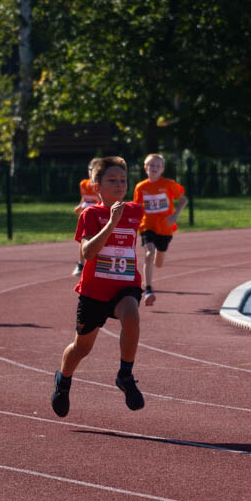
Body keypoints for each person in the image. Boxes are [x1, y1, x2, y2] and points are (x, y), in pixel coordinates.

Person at [52, 156, 146, 418]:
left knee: (132, 315)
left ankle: (125, 375)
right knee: (82, 348)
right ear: (97, 187)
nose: (119, 185)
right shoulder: (90, 214)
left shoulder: (135, 211)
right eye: (112, 181)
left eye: (123, 180)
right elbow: (87, 253)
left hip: (126, 285)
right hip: (94, 292)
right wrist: (111, 223)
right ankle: (63, 379)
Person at [132, 153, 187, 306]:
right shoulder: (141, 187)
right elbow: (137, 207)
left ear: (162, 169)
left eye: (157, 166)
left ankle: (158, 256)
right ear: (145, 168)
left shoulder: (168, 184)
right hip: (147, 225)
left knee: (159, 262)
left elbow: (183, 200)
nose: (154, 168)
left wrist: (175, 215)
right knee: (149, 254)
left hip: (165, 227)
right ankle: (148, 289)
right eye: (151, 165)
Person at [71, 157, 102, 276]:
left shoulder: (99, 186)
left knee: (98, 242)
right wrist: (80, 206)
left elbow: (103, 200)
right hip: (86, 216)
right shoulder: (83, 184)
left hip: (98, 216)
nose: (92, 172)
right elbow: (84, 197)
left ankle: (97, 265)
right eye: (91, 169)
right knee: (83, 240)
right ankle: (81, 264)